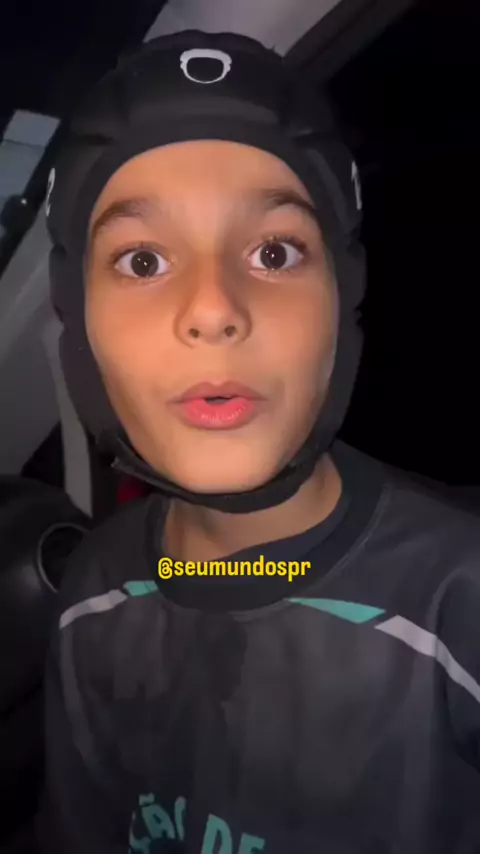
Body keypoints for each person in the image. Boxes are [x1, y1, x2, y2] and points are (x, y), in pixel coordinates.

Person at [37, 30, 480, 854]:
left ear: (342, 298)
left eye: (275, 252)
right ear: (78, 320)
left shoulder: (459, 602)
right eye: (142, 261)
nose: (214, 309)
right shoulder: (95, 593)